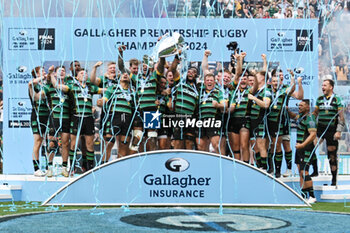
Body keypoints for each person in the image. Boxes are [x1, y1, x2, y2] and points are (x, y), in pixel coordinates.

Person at [52, 68, 104, 173]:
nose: (84, 75)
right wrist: (51, 75)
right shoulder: (72, 86)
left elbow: (105, 90)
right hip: (76, 117)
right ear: (77, 77)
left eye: (85, 73)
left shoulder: (91, 87)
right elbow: (57, 86)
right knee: (74, 144)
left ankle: (90, 168)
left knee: (89, 144)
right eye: (81, 73)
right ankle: (73, 167)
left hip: (89, 118)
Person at [313, 79, 345, 186]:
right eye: (322, 85)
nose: (322, 87)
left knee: (332, 155)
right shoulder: (319, 99)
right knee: (311, 147)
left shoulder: (337, 100)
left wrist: (338, 131)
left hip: (332, 130)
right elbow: (315, 114)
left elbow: (341, 118)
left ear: (331, 87)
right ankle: (315, 170)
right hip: (320, 129)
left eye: (325, 85)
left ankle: (334, 179)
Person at [97, 72, 134, 158]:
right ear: (118, 77)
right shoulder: (113, 88)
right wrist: (101, 102)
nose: (125, 75)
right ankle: (104, 166)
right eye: (122, 74)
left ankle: (120, 167)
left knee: (124, 144)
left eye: (127, 74)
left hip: (127, 117)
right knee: (109, 142)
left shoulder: (132, 90)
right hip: (115, 116)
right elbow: (105, 98)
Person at [267, 70, 296, 178]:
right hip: (270, 122)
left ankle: (288, 169)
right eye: (274, 80)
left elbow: (293, 88)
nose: (276, 82)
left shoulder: (284, 89)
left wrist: (293, 76)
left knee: (285, 144)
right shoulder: (267, 90)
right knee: (272, 145)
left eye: (278, 80)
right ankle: (271, 169)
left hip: (284, 121)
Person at [288, 99, 317, 204]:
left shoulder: (310, 118)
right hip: (299, 148)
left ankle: (312, 196)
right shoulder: (301, 117)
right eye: (299, 105)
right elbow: (294, 116)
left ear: (308, 107)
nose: (299, 107)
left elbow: (313, 134)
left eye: (302, 105)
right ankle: (303, 196)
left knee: (304, 172)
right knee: (301, 172)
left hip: (306, 148)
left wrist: (303, 145)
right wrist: (287, 110)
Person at [45, 66, 71, 177]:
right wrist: (50, 73)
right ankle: (49, 167)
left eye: (63, 71)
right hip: (54, 118)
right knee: (52, 143)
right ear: (55, 74)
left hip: (66, 118)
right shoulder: (50, 87)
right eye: (59, 71)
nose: (61, 72)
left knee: (65, 143)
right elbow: (46, 82)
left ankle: (64, 167)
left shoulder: (68, 86)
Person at [28, 66, 50, 176]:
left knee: (47, 142)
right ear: (36, 74)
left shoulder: (46, 86)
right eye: (42, 71)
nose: (44, 72)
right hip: (37, 116)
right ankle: (36, 169)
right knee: (37, 141)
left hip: (47, 116)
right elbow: (30, 83)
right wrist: (43, 77)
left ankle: (47, 167)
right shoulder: (33, 85)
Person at [247, 71, 271, 170]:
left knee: (261, 145)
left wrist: (254, 98)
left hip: (261, 121)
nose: (254, 78)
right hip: (253, 122)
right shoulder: (256, 90)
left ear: (262, 78)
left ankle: (265, 168)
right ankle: (259, 166)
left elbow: (266, 105)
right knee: (255, 146)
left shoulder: (266, 91)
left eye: (256, 76)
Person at [196, 73, 221, 153]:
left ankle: (218, 164)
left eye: (211, 80)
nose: (209, 82)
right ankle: (204, 164)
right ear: (204, 82)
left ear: (214, 82)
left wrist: (218, 105)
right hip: (201, 120)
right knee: (201, 147)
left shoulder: (218, 92)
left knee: (216, 145)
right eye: (207, 80)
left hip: (213, 120)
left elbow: (225, 105)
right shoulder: (199, 91)